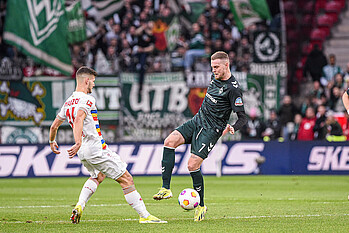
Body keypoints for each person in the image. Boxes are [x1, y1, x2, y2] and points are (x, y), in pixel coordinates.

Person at [49, 66, 166, 224]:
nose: (94, 85)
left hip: (83, 152)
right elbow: (78, 119)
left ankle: (79, 205)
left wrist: (52, 141)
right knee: (126, 179)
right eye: (93, 82)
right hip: (94, 147)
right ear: (86, 80)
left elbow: (54, 126)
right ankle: (145, 216)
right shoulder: (87, 99)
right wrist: (78, 142)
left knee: (98, 176)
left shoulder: (68, 102)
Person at [152, 51, 248, 221]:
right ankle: (165, 188)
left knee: (192, 164)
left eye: (217, 67)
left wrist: (233, 127)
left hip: (211, 130)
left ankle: (201, 205)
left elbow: (243, 117)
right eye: (212, 67)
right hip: (197, 121)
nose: (214, 70)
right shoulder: (214, 77)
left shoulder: (233, 89)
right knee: (169, 141)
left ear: (227, 65)